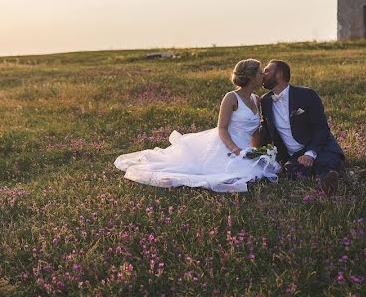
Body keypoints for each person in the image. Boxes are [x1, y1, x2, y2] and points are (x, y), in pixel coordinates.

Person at [114, 59, 280, 193]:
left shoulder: (256, 99)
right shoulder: (231, 97)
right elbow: (222, 128)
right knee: (235, 175)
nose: (263, 75)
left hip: (245, 145)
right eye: (260, 72)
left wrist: (256, 151)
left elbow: (255, 132)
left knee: (262, 170)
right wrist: (235, 150)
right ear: (251, 77)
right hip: (226, 144)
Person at [260, 59, 345, 196]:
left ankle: (328, 181)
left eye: (267, 70)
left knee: (324, 160)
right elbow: (266, 132)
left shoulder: (306, 94)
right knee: (290, 170)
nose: (262, 74)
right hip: (293, 155)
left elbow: (321, 128)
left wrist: (310, 154)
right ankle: (348, 172)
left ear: (279, 74)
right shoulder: (265, 101)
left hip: (316, 145)